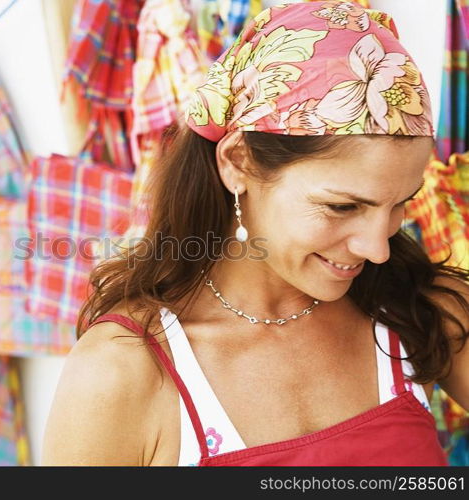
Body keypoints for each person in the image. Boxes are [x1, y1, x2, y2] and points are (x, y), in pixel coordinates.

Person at [41, 1, 469, 466]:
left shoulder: (421, 311)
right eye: (342, 206)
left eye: (399, 203)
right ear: (237, 162)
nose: (378, 248)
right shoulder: (122, 372)